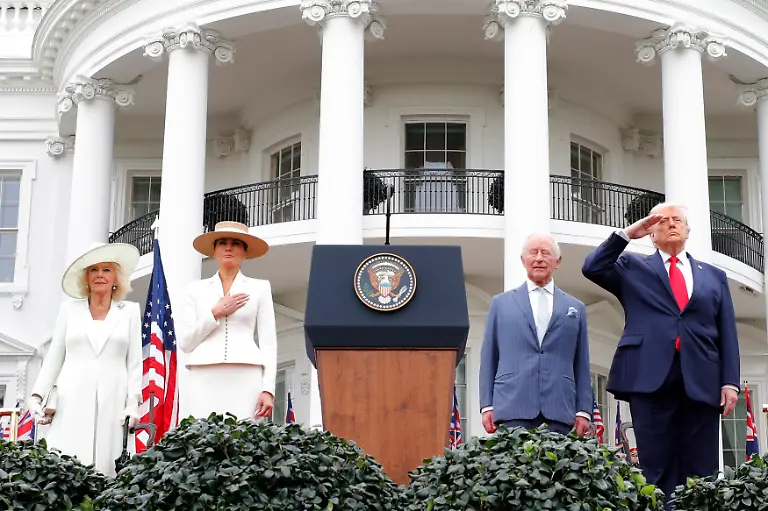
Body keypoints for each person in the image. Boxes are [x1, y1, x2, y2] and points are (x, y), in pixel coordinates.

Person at [581, 202, 740, 505]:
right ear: (651, 232)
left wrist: (729, 381)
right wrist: (629, 234)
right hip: (650, 377)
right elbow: (592, 267)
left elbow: (727, 332)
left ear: (688, 229)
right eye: (662, 221)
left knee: (702, 470)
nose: (670, 225)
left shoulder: (714, 276)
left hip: (703, 380)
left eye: (677, 220)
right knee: (656, 466)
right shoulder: (633, 267)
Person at [29, 243, 142, 476]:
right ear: (86, 278)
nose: (100, 274)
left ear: (116, 279)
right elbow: (54, 357)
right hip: (72, 397)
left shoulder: (130, 311)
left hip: (114, 399)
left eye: (106, 269)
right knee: (68, 466)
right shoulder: (69, 310)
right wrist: (36, 396)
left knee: (109, 469)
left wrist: (133, 403)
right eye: (94, 270)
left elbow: (134, 363)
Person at [479, 233, 592, 436]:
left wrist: (583, 409)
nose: (539, 258)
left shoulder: (575, 308)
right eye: (533, 252)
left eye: (546, 253)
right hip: (512, 406)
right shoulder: (501, 304)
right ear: (523, 260)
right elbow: (489, 356)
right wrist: (487, 405)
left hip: (559, 409)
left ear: (557, 261)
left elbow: (581, 362)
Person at [178, 221, 277, 421]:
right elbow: (186, 342)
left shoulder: (260, 288)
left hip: (247, 374)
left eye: (236, 243)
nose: (229, 247)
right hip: (203, 374)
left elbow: (268, 344)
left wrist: (268, 389)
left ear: (245, 252)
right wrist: (214, 313)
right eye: (222, 242)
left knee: (246, 440)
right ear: (214, 251)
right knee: (203, 439)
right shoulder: (195, 290)